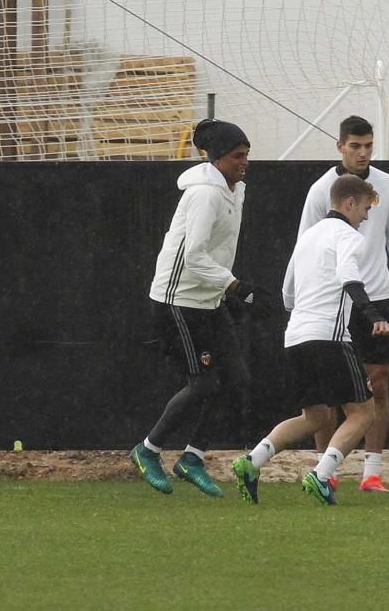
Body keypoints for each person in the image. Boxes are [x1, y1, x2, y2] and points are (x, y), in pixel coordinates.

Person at [230, 175, 389, 505]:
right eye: (364, 208)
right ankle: (320, 475)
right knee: (364, 413)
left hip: (296, 337)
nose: (366, 216)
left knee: (315, 418)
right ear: (349, 203)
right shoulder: (348, 236)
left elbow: (287, 291)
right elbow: (349, 276)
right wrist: (374, 316)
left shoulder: (307, 238)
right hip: (329, 339)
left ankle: (251, 462)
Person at [130, 119, 273, 497]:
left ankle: (192, 458)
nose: (244, 162)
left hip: (208, 299)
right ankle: (148, 450)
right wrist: (235, 286)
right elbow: (192, 256)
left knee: (237, 380)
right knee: (204, 383)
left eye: (247, 155)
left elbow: (215, 253)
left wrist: (227, 292)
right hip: (178, 301)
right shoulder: (205, 195)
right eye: (237, 156)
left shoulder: (235, 190)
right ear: (216, 158)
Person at [294, 115, 389, 493]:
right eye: (355, 145)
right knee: (327, 393)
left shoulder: (388, 185)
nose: (363, 152)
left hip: (378, 298)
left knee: (378, 385)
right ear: (339, 146)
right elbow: (306, 248)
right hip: (335, 302)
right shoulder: (321, 191)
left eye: (368, 145)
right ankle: (326, 472)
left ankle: (372, 471)